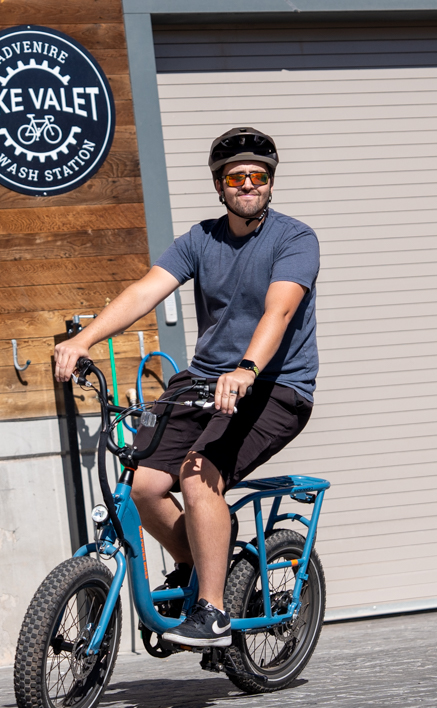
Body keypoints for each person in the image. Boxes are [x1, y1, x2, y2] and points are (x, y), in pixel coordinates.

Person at [54, 127, 319, 647]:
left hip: (275, 387)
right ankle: (196, 561)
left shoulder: (295, 239)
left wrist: (245, 369)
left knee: (199, 475)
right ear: (219, 186)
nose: (248, 184)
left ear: (270, 183)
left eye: (257, 176)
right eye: (235, 176)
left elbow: (279, 309)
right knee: (143, 487)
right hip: (203, 382)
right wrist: (83, 340)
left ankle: (214, 611)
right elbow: (144, 291)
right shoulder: (200, 239)